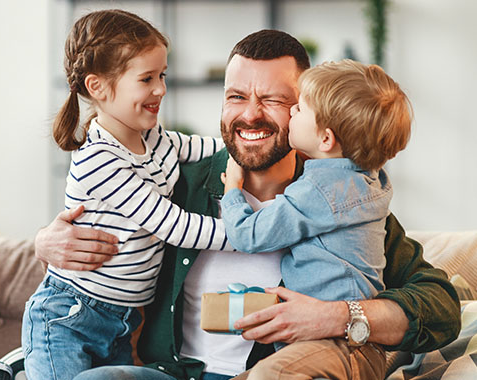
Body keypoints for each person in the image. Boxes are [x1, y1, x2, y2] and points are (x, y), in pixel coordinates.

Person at [35, 30, 461, 380]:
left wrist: (336, 317)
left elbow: (441, 307)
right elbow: (102, 240)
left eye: (274, 101)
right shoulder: (178, 184)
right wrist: (44, 245)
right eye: (236, 96)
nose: (250, 115)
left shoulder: (341, 201)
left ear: (309, 113)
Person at [22, 10, 232, 380]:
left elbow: (217, 148)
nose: (161, 89)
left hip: (121, 321)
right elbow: (174, 226)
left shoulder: (156, 139)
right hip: (71, 317)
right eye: (147, 79)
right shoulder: (99, 159)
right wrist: (249, 233)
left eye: (162, 76)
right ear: (98, 87)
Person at [220, 59, 412, 379]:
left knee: (268, 375)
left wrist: (232, 188)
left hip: (338, 347)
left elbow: (246, 234)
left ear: (325, 139)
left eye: (299, 108)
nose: (293, 112)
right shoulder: (367, 181)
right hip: (351, 350)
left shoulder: (320, 191)